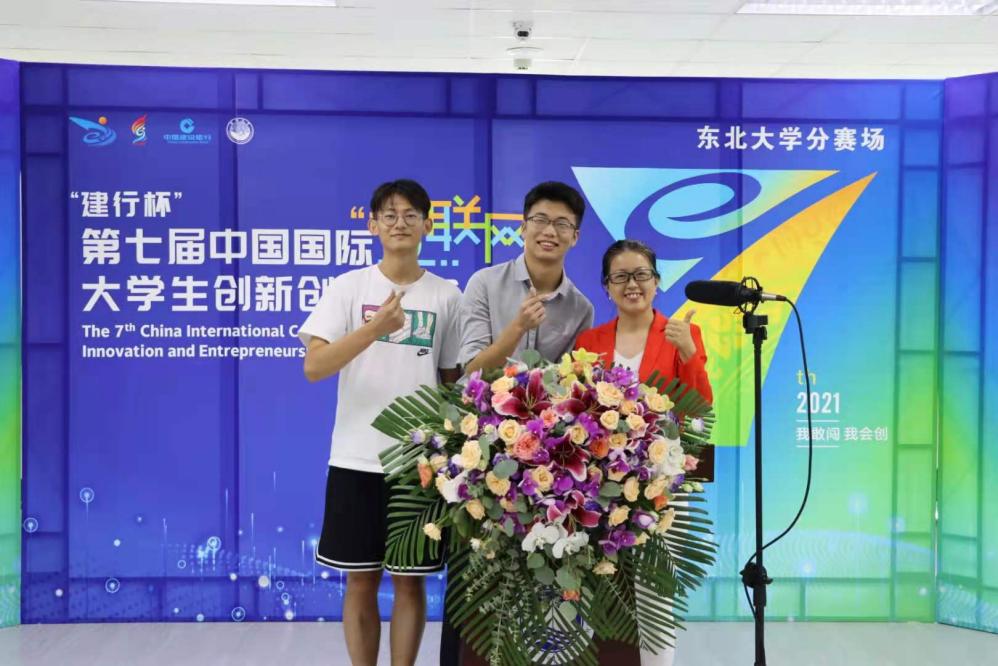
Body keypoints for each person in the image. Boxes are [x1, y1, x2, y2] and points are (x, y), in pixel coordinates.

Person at [299, 179, 462, 666]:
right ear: (372, 225)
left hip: (419, 464)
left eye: (411, 215)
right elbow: (315, 366)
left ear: (428, 225)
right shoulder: (348, 287)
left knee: (410, 582)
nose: (400, 223)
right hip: (356, 458)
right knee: (360, 579)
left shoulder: (446, 295)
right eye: (389, 215)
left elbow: (451, 380)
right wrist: (374, 329)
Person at [440, 181, 594, 666]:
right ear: (523, 227)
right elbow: (470, 373)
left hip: (542, 466)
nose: (550, 231)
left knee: (533, 577)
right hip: (480, 453)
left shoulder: (581, 308)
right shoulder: (485, 283)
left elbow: (571, 392)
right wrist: (517, 330)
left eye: (562, 224)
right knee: (474, 581)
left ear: (575, 237)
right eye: (541, 220)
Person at [575, 239, 713, 666]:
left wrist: (688, 353)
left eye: (641, 275)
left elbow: (701, 411)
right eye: (621, 276)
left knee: (655, 595)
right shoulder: (590, 340)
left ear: (657, 282)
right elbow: (576, 408)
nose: (632, 284)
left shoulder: (682, 334)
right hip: (599, 486)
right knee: (591, 585)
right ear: (607, 286)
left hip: (660, 483)